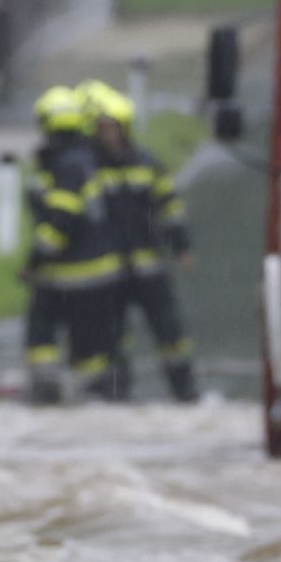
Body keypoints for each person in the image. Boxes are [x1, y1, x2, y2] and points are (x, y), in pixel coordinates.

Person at [91, 82, 197, 403]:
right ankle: (118, 395)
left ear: (124, 129)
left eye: (114, 128)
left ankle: (185, 391)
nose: (109, 134)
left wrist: (181, 247)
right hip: (111, 267)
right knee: (112, 335)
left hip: (149, 265)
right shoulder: (91, 167)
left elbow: (170, 207)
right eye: (103, 128)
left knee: (169, 332)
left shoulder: (147, 162)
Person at [24, 84, 114, 406]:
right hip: (94, 272)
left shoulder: (65, 164)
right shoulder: (85, 159)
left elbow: (60, 221)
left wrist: (34, 262)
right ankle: (92, 398)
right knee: (89, 343)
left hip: (66, 272)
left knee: (42, 332)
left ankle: (51, 395)